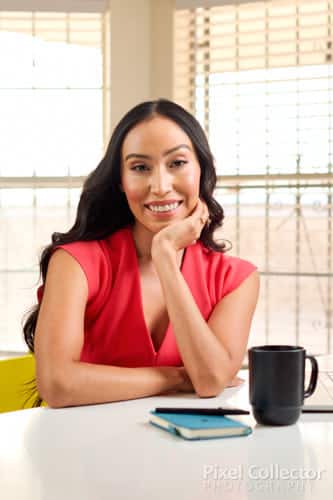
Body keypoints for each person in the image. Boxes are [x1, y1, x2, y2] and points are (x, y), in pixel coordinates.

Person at [23, 99, 260, 408]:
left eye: (177, 163)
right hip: (81, 449)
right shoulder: (75, 263)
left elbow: (210, 381)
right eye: (140, 167)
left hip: (186, 451)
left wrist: (164, 256)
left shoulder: (236, 279)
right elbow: (57, 385)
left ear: (201, 169)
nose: (160, 186)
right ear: (120, 181)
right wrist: (176, 377)